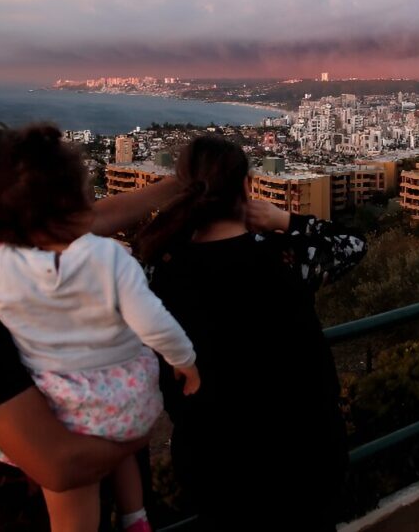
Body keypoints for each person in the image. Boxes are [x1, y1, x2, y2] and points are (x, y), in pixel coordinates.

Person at [0, 124, 201, 532]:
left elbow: (91, 220)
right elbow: (62, 467)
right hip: (28, 515)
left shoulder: (14, 250)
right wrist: (138, 428)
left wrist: (179, 185)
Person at [137, 136, 366, 530]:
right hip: (305, 455)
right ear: (247, 187)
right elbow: (352, 243)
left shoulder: (160, 271)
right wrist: (285, 220)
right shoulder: (285, 257)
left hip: (216, 464)